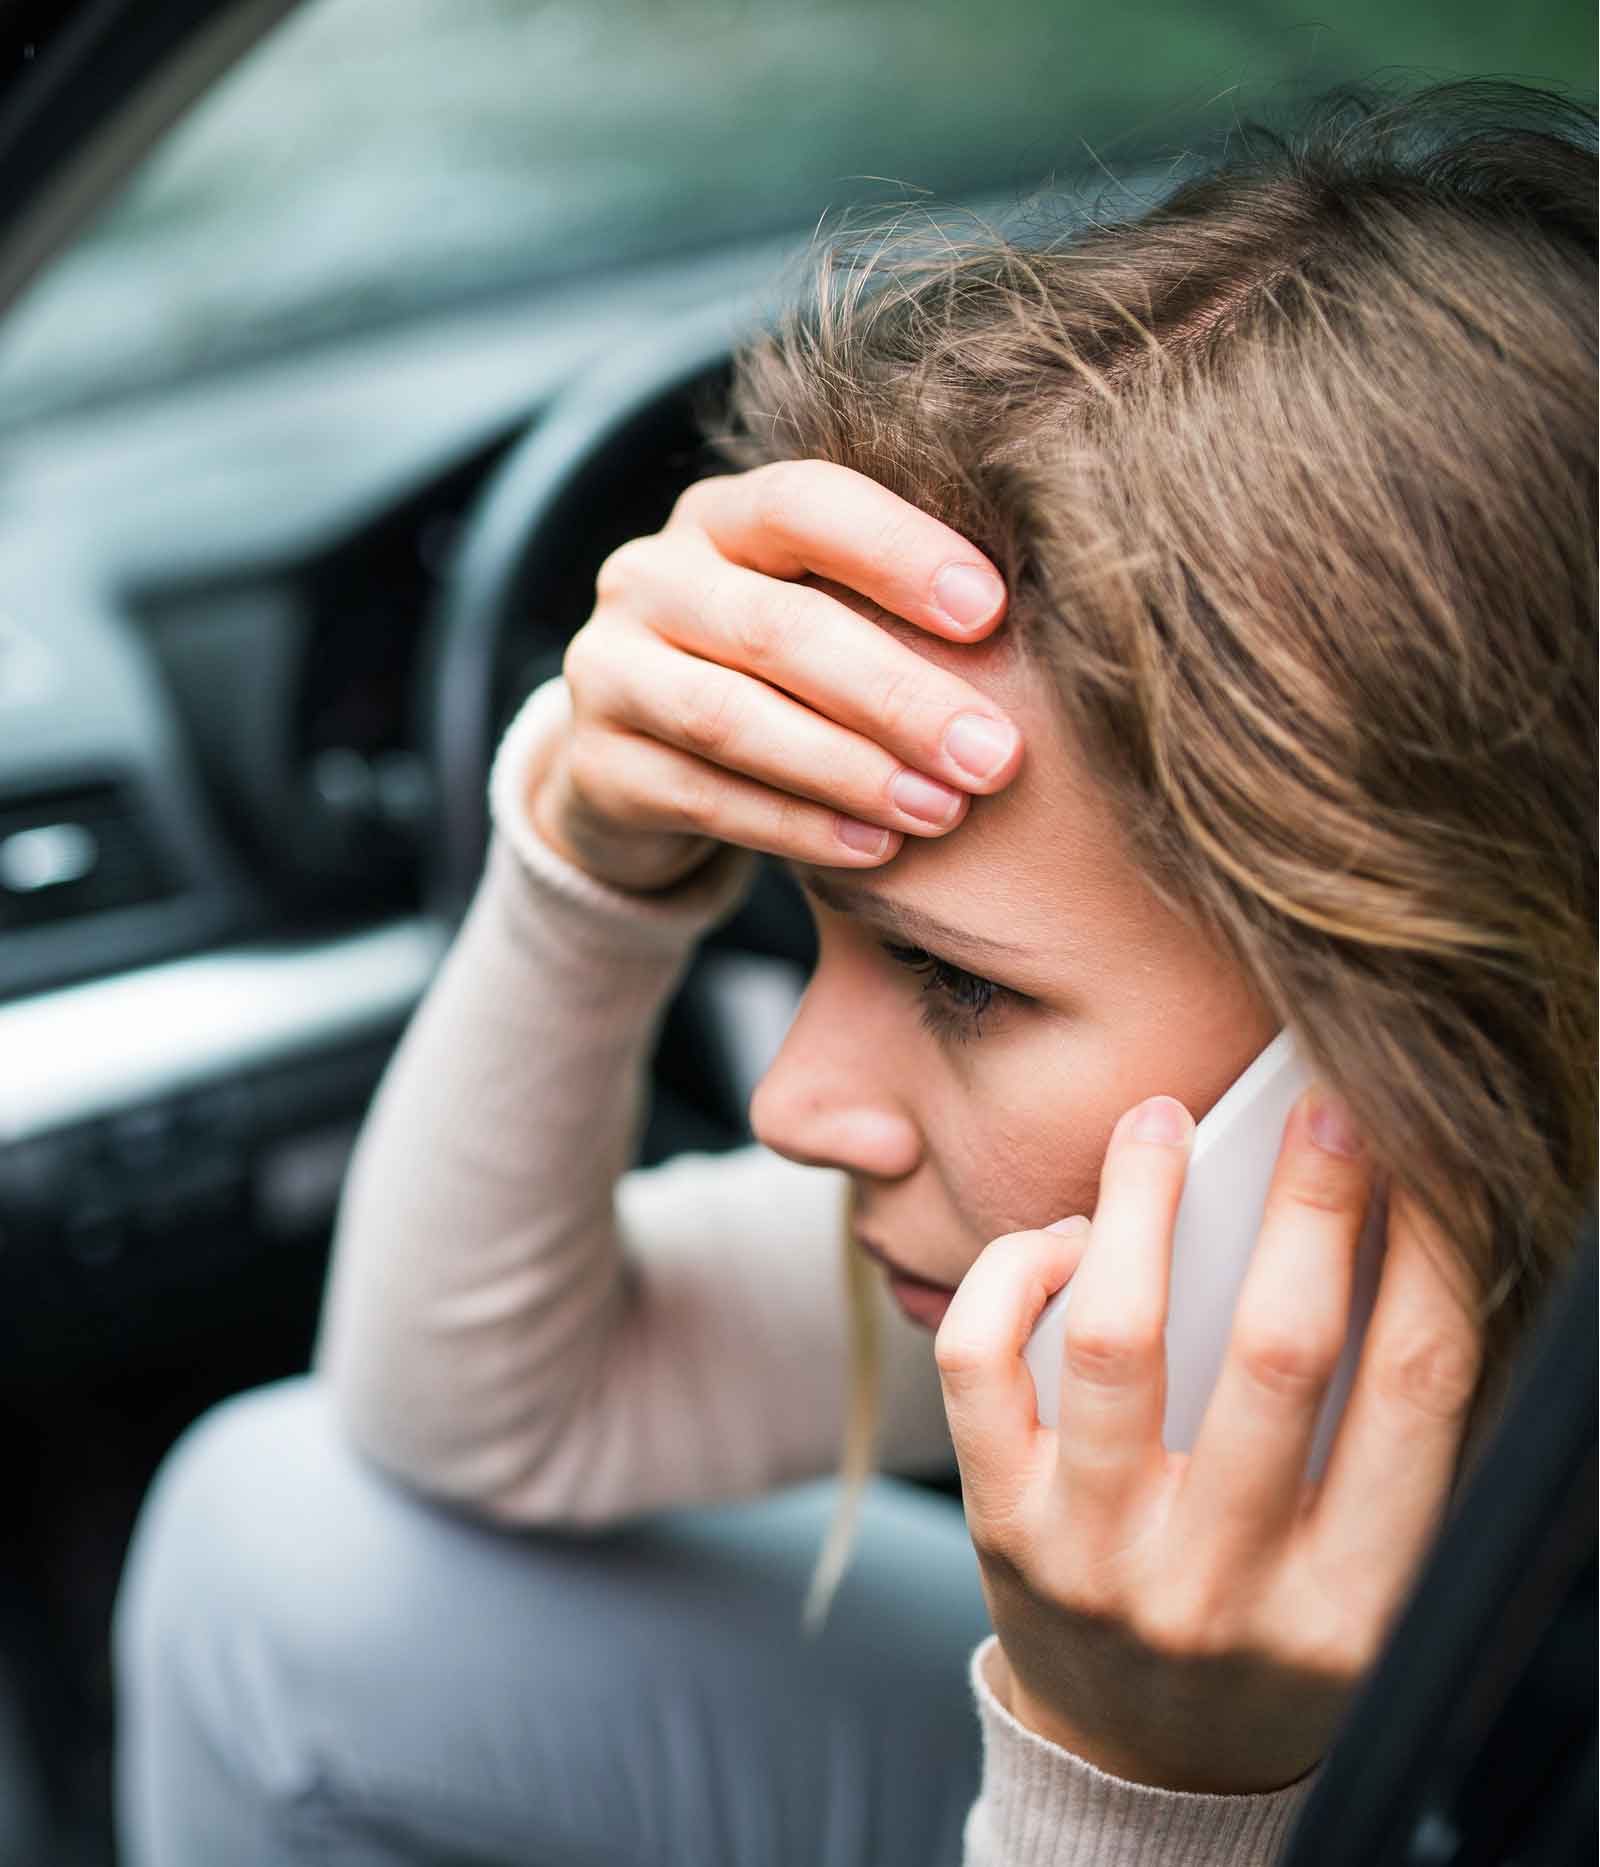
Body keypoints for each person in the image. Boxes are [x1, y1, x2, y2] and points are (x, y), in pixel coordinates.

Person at [114, 79, 1596, 1866]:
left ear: (1454, 1027)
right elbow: (489, 1417)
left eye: (961, 985)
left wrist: (1129, 1802)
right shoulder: (1163, 1279)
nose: (789, 1102)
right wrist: (583, 853)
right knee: (286, 1538)